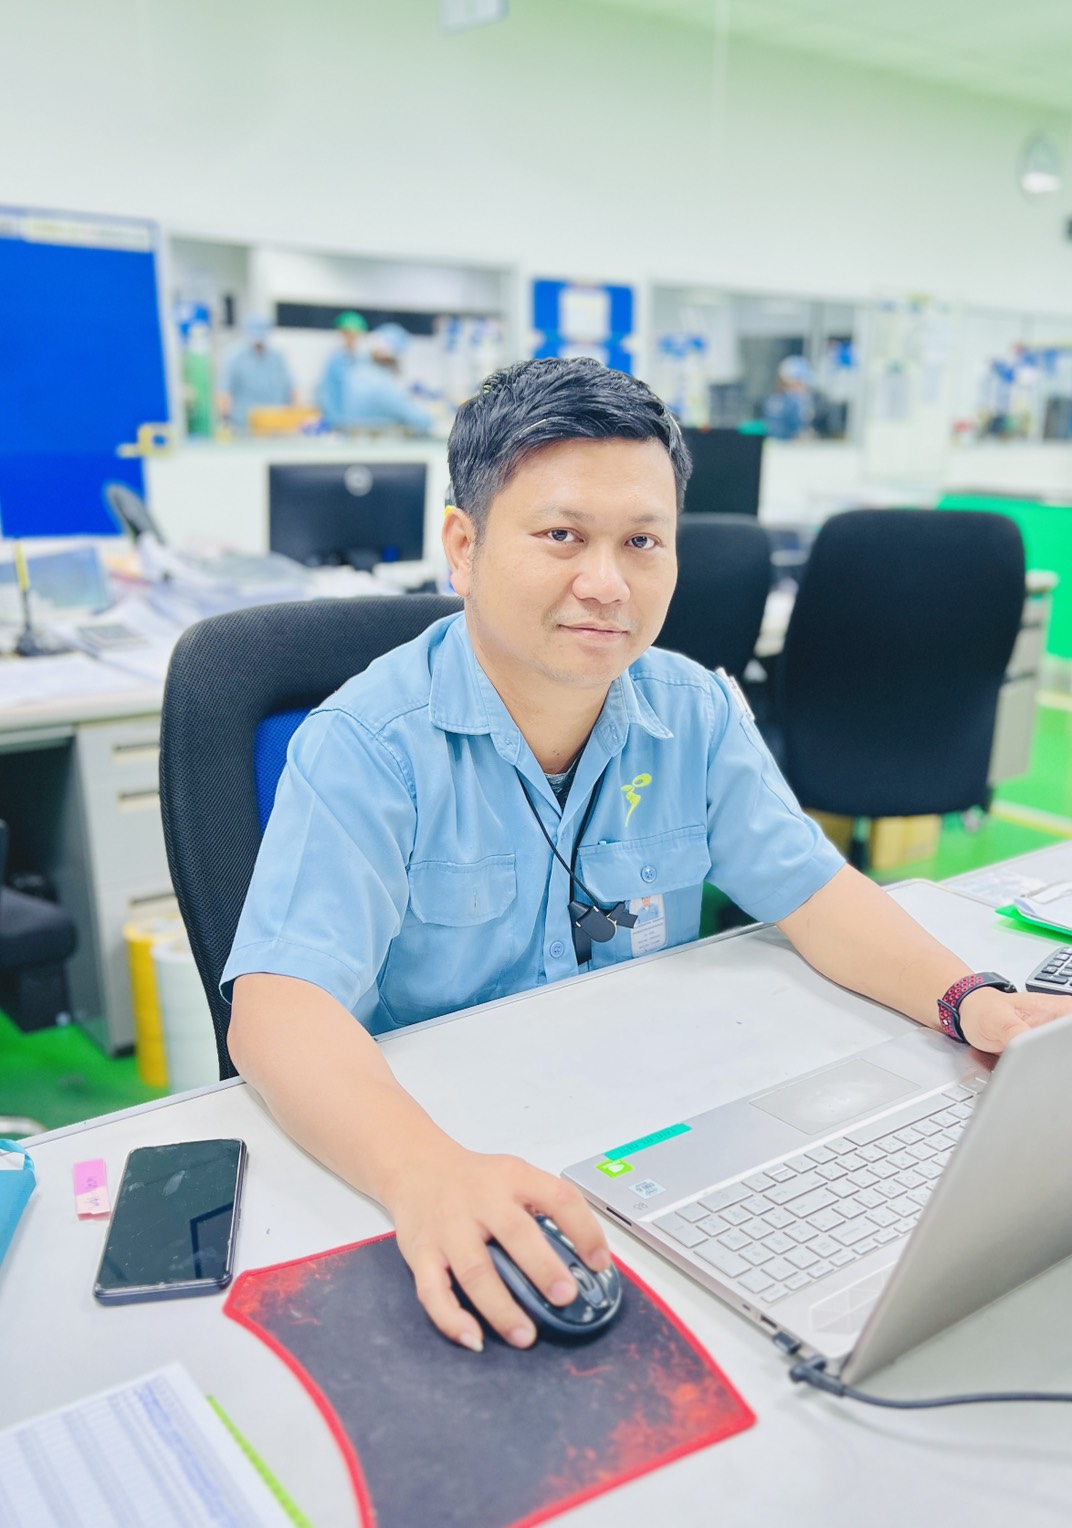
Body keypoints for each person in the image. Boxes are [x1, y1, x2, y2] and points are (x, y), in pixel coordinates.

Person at [223, 357, 1072, 1359]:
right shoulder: (369, 744)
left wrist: (968, 999)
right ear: (463, 546)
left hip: (642, 1131)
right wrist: (423, 1173)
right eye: (561, 536)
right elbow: (277, 1007)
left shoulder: (693, 711)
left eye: (642, 541)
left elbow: (815, 892)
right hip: (441, 1135)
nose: (606, 584)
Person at [317, 314, 433, 434]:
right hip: (348, 428)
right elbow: (418, 419)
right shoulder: (380, 382)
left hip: (349, 431)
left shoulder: (359, 368)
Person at [217, 316, 294, 430]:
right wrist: (225, 420)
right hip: (243, 427)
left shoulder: (277, 358)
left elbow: (291, 390)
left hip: (276, 427)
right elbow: (224, 393)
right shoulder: (235, 357)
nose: (259, 343)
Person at [762, 355, 815, 440]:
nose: (803, 387)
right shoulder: (789, 402)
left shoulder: (772, 399)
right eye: (799, 383)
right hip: (784, 444)